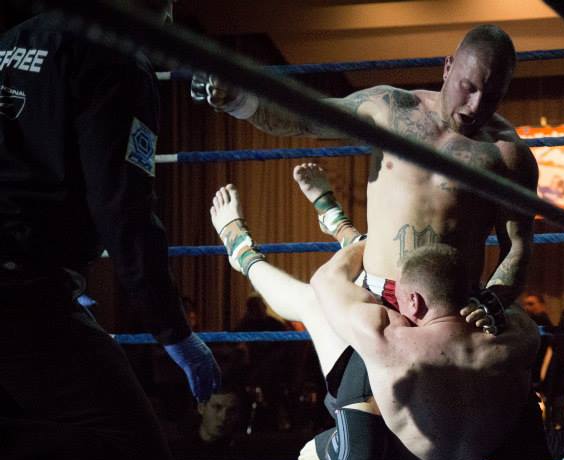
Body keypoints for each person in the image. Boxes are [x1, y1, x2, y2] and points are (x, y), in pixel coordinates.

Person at [0, 2, 221, 460]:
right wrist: (175, 333)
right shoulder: (113, 55)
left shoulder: (12, 40)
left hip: (23, 281)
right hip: (20, 288)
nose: (169, 20)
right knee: (137, 459)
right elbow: (123, 209)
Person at [198, 25, 538, 331]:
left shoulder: (507, 156)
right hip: (373, 298)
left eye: (491, 96)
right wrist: (240, 100)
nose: (475, 106)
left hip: (450, 310)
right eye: (468, 87)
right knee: (320, 324)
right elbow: (305, 119)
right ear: (448, 67)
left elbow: (517, 246)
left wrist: (492, 301)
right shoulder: (391, 109)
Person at [208, 183, 551, 460]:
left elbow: (326, 280)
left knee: (312, 304)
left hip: (396, 459)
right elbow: (508, 302)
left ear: (413, 302)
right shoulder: (519, 336)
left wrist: (363, 244)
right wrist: (490, 304)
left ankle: (243, 253)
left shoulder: (390, 337)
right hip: (477, 456)